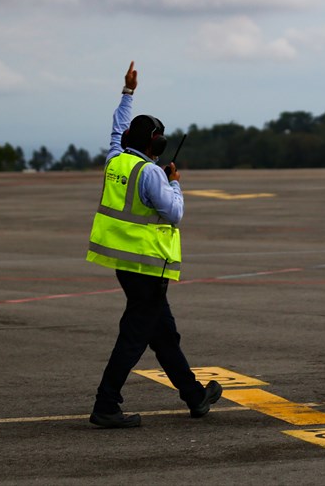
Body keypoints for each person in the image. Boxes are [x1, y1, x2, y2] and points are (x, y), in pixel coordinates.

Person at [86, 61, 220, 429]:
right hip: (147, 265)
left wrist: (128, 92)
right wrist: (174, 182)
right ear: (156, 144)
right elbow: (174, 214)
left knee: (163, 334)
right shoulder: (150, 173)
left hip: (125, 264)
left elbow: (117, 129)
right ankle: (105, 405)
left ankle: (194, 396)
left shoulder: (116, 159)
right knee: (134, 338)